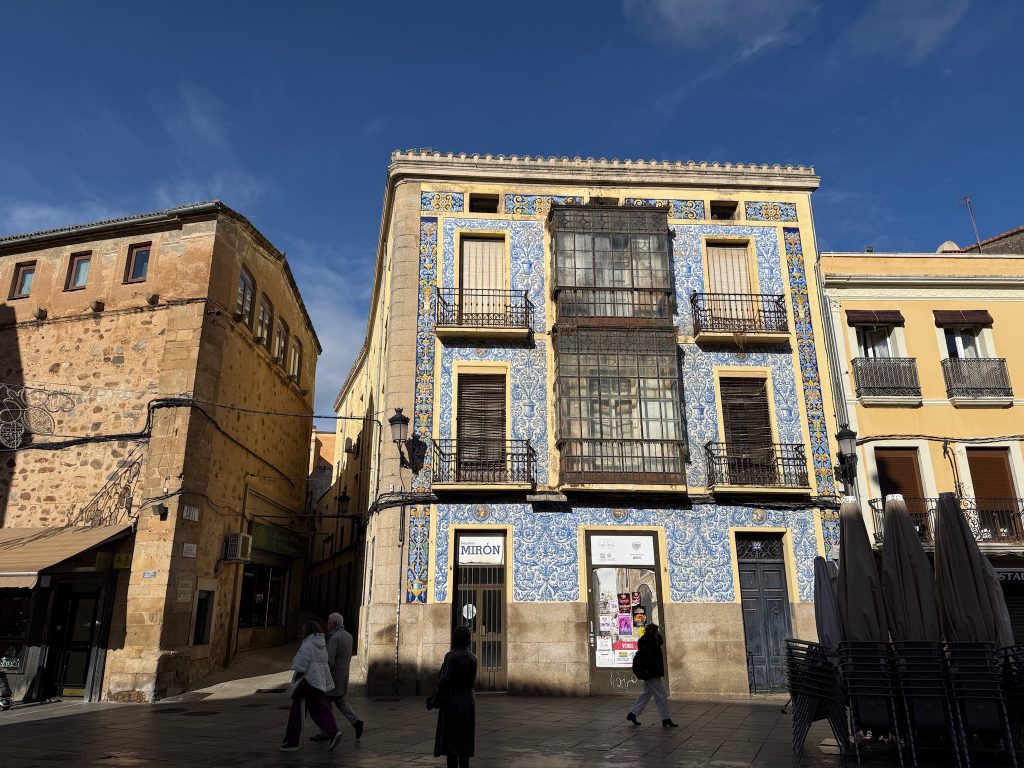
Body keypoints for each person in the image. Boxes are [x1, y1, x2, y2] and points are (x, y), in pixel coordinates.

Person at [281, 620, 341, 752]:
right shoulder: (322, 644)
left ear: (307, 631)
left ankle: (292, 742)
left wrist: (296, 672)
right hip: (318, 683)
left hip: (307, 682)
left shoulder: (308, 645)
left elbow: (301, 665)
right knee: (318, 709)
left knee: (297, 711)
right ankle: (333, 732)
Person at [311, 612, 364, 741]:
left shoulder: (334, 638)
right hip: (343, 675)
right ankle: (356, 721)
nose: (327, 625)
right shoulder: (349, 636)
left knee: (325, 704)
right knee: (341, 701)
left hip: (332, 677)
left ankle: (326, 731)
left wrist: (322, 674)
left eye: (329, 623)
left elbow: (329, 660)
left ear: (334, 624)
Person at [429, 625, 477, 768]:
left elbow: (444, 681)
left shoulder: (450, 656)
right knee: (464, 741)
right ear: (468, 640)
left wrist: (435, 699)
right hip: (468, 700)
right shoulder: (473, 657)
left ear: (454, 639)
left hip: (453, 701)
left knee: (451, 743)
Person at [626, 623, 678, 728]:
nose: (658, 632)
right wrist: (650, 672)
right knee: (661, 695)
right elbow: (649, 659)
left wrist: (657, 636)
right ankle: (666, 718)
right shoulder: (649, 642)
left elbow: (660, 643)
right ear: (653, 631)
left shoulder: (651, 640)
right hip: (651, 673)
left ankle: (633, 713)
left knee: (646, 693)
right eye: (657, 631)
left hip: (650, 672)